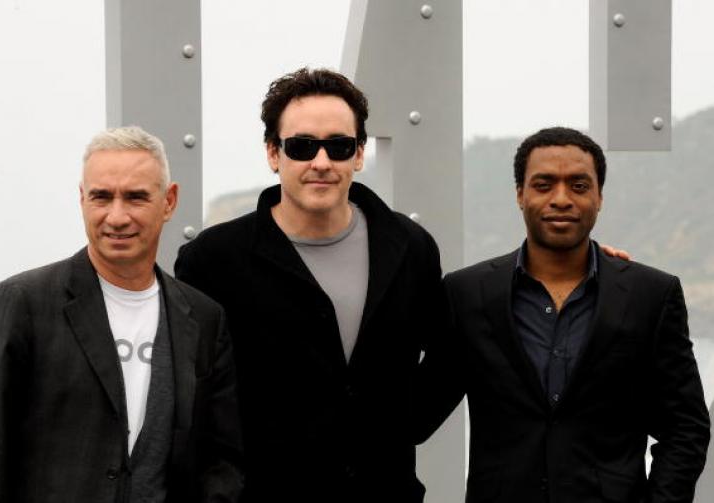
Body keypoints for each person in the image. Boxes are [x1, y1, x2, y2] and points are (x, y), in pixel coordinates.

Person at [175, 68, 445, 502]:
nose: (321, 162)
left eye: (338, 147)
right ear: (272, 153)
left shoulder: (410, 248)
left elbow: (446, 353)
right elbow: (193, 393)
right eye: (301, 147)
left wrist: (403, 426)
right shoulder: (212, 260)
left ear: (358, 154)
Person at [0, 126, 243, 502]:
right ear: (82, 198)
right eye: (101, 197)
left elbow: (219, 463)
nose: (116, 216)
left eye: (135, 197)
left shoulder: (205, 319)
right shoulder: (21, 303)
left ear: (169, 201)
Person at [438, 127, 710, 502]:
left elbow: (686, 427)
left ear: (599, 197)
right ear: (520, 194)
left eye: (579, 186)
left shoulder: (650, 295)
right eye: (544, 184)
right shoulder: (467, 294)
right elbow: (415, 413)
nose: (561, 199)